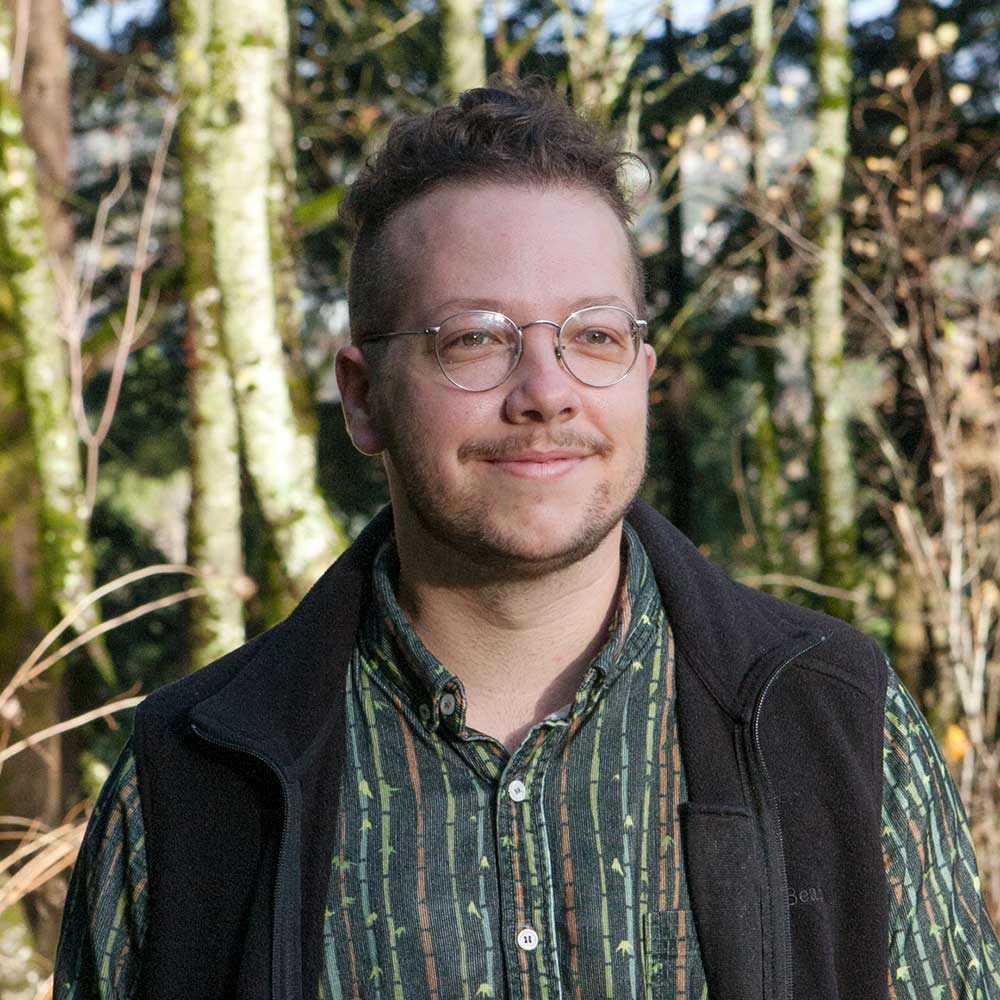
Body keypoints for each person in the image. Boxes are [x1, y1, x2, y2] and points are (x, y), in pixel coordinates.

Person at [55, 82, 999, 1000]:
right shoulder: (194, 781)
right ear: (361, 397)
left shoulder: (833, 719)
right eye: (473, 339)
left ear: (641, 375)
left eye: (592, 336)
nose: (546, 390)